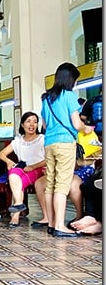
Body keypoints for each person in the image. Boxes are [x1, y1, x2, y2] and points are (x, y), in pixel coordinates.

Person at [40, 62, 95, 238]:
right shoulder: (70, 96)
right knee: (62, 186)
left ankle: (50, 223)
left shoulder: (46, 98)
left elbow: (44, 125)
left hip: (49, 143)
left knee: (50, 185)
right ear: (71, 79)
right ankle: (59, 226)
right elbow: (77, 124)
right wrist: (86, 129)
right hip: (65, 143)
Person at [0, 111, 47, 228]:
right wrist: (9, 161)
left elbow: (48, 159)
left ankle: (15, 216)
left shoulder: (42, 139)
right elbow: (1, 154)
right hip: (23, 168)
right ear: (22, 125)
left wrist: (33, 167)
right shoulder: (18, 141)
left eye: (35, 122)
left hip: (38, 168)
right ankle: (19, 204)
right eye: (28, 121)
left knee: (18, 182)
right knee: (13, 173)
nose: (32, 125)